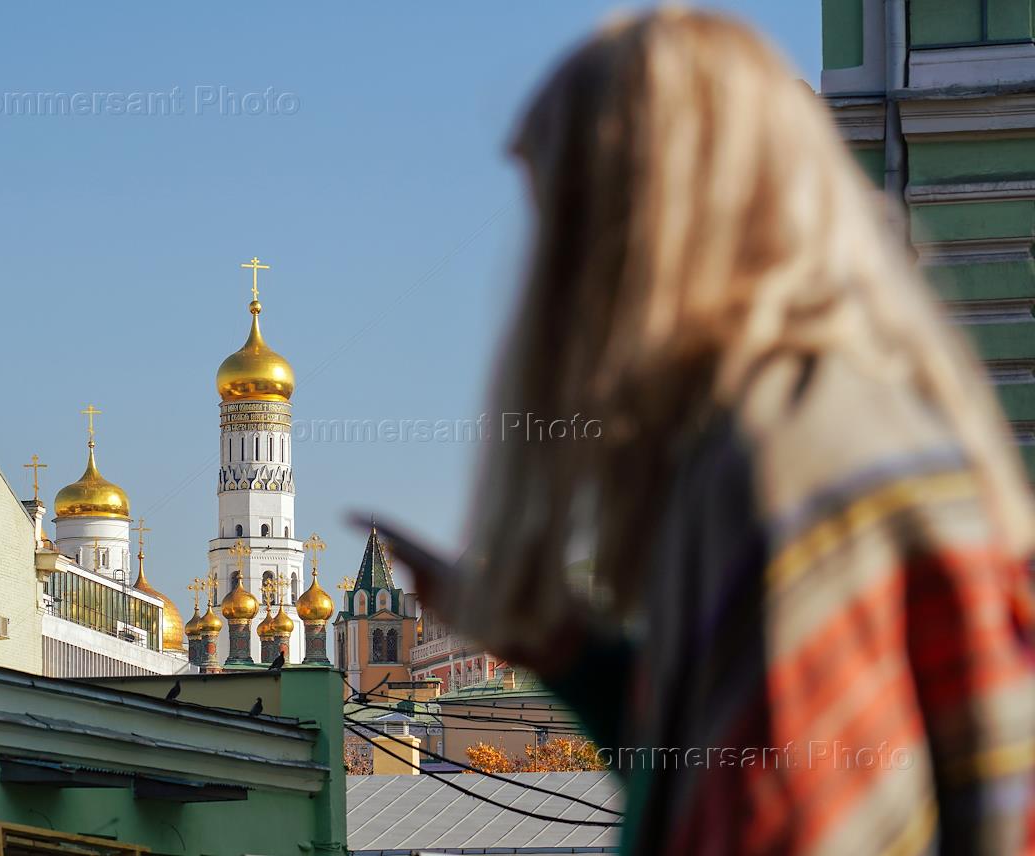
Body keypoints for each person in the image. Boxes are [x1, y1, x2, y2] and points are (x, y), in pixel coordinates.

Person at [364, 9, 1035, 855]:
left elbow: (763, 823)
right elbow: (723, 771)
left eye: (568, 223)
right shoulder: (844, 416)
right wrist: (568, 656)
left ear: (649, 226)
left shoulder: (774, 457)